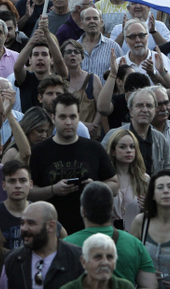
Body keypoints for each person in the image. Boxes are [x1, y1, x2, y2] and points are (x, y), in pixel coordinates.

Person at [28, 93, 118, 234]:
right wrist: (52, 190)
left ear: (79, 117)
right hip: (52, 230)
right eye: (62, 117)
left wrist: (96, 186)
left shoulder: (94, 148)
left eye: (72, 117)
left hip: (89, 229)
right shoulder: (39, 151)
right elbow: (28, 192)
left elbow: (115, 186)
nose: (68, 122)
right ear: (53, 118)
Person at [64, 182, 156, 288]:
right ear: (112, 209)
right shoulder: (134, 244)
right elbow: (150, 285)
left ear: (83, 211)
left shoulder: (66, 245)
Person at [0, 200, 85, 289]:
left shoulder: (78, 259)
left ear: (51, 226)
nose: (24, 228)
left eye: (31, 223)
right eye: (22, 223)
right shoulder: (12, 261)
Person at [127, 170, 170, 288]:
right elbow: (129, 260)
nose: (165, 191)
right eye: (160, 187)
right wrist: (142, 273)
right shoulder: (140, 222)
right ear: (153, 195)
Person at [102, 87, 170, 176]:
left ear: (154, 111)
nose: (145, 110)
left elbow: (168, 172)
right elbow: (101, 167)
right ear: (131, 110)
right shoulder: (113, 136)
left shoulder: (161, 140)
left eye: (149, 106)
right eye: (140, 105)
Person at [62, 233, 135, 289]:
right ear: (84, 262)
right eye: (98, 257)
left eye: (110, 257)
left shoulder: (125, 287)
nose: (105, 262)